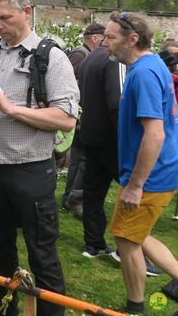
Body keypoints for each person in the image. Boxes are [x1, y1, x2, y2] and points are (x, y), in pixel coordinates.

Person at [0, 0, 79, 316]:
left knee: (41, 250)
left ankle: (50, 311)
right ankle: (3, 306)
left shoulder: (51, 57)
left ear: (27, 12)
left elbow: (66, 118)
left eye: (5, 17)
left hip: (31, 169)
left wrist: (11, 108)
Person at [102, 11, 178, 316]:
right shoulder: (150, 65)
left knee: (126, 238)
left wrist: (135, 185)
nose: (104, 43)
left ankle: (135, 308)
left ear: (132, 39)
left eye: (110, 37)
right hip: (160, 171)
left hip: (151, 176)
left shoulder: (144, 73)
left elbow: (155, 134)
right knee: (136, 234)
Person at [76, 45, 124, 259]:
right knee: (131, 192)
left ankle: (93, 244)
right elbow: (118, 102)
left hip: (90, 135)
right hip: (112, 138)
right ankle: (128, 249)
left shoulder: (91, 57)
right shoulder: (114, 60)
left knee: (93, 194)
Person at [62, 22, 106, 220]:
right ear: (95, 38)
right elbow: (66, 83)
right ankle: (73, 198)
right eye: (105, 39)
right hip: (80, 115)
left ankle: (69, 197)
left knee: (78, 159)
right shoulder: (81, 54)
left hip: (82, 115)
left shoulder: (86, 54)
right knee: (80, 160)